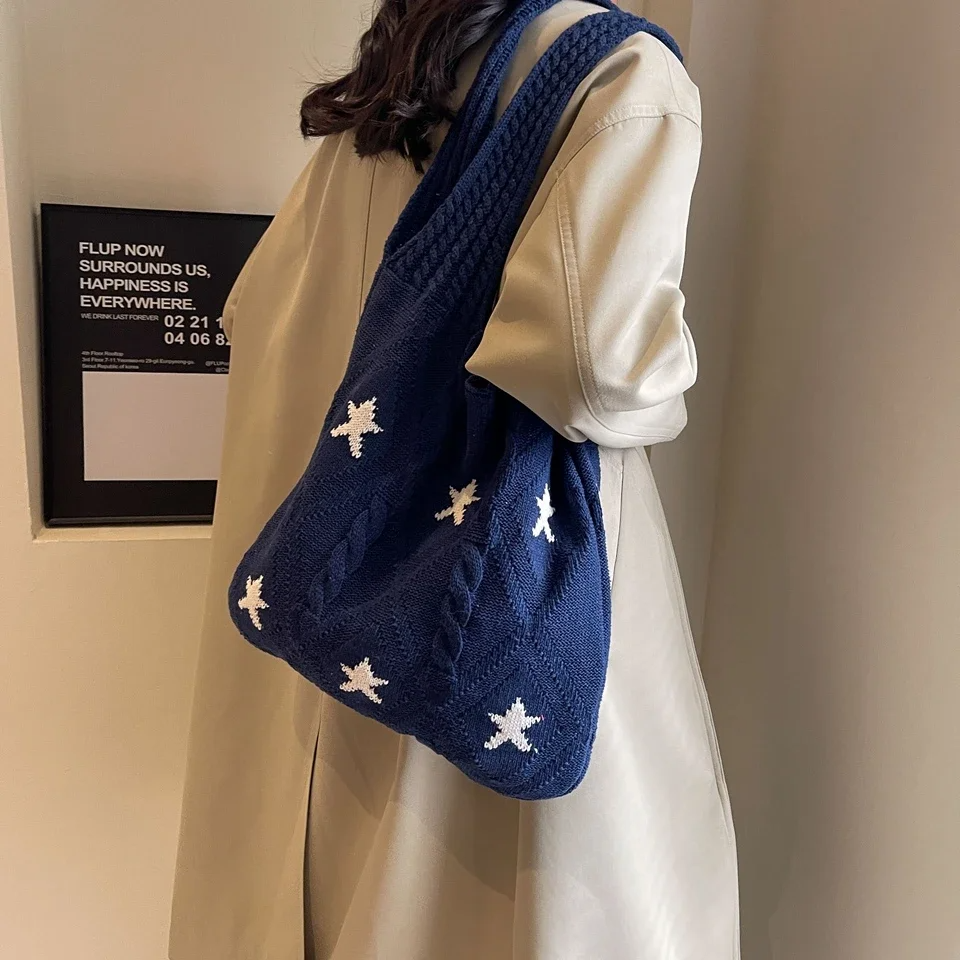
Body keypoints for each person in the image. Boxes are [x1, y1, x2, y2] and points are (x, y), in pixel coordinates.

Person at [170, 1, 738, 958]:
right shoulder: (620, 73)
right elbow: (597, 370)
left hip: (325, 584)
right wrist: (679, 364)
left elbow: (262, 318)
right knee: (532, 897)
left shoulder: (394, 83)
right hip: (482, 620)